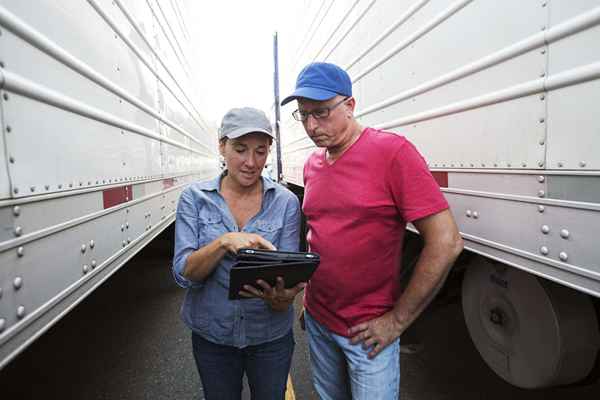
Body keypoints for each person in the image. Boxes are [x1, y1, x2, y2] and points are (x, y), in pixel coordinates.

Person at [281, 62, 464, 399]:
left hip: (366, 331)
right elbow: (319, 235)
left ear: (350, 105)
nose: (311, 125)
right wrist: (309, 296)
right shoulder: (312, 165)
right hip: (319, 320)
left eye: (321, 112)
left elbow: (447, 241)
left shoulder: (392, 153)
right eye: (303, 114)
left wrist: (396, 321)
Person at [172, 107, 305, 400]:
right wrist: (223, 242)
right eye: (240, 149)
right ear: (222, 146)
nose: (250, 162)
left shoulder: (284, 202)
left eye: (260, 151)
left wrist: (284, 297)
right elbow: (185, 273)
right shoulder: (195, 199)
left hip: (270, 337)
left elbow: (289, 272)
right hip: (213, 337)